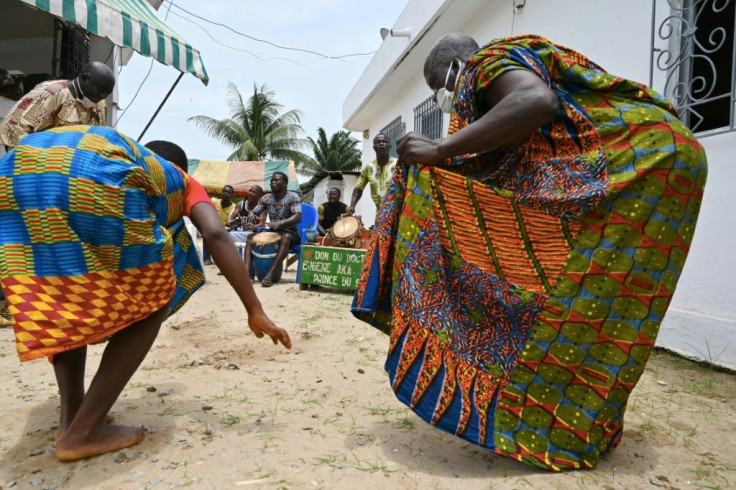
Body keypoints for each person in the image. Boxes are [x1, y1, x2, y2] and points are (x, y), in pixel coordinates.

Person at [352, 34, 707, 471]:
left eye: (437, 85)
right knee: (598, 306)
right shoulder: (510, 67)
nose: (442, 98)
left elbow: (535, 102)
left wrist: (441, 150)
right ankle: (572, 422)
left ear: (455, 67)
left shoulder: (488, 61)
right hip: (668, 160)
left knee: (584, 301)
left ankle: (551, 422)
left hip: (642, 161)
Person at [0, 125, 290, 462]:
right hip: (93, 173)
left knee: (65, 295)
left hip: (16, 170)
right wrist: (254, 308)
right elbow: (215, 233)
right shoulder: (177, 178)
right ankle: (83, 431)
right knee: (153, 298)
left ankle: (72, 418)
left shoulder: (130, 155)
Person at [0, 61, 114, 148]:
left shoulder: (100, 105)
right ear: (84, 78)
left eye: (107, 93)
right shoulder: (50, 93)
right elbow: (13, 129)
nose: (103, 95)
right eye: (100, 89)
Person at [245, 172, 302, 287]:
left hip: (291, 234)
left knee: (285, 237)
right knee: (250, 238)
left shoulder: (293, 196)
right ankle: (246, 275)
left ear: (285, 183)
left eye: (276, 180)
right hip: (274, 233)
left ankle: (270, 275)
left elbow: (298, 216)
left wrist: (281, 223)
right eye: (271, 180)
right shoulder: (267, 197)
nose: (273, 182)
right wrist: (251, 214)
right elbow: (255, 211)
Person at [348, 133, 398, 214]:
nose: (381, 144)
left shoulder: (398, 165)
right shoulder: (368, 168)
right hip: (379, 214)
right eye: (378, 142)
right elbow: (358, 188)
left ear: (390, 146)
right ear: (374, 148)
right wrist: (352, 205)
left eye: (384, 142)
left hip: (398, 214)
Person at [203, 185, 237, 265]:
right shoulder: (214, 201)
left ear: (232, 195)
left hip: (225, 230)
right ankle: (208, 258)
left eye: (228, 193)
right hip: (213, 226)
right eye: (224, 192)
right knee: (206, 233)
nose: (225, 194)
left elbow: (233, 223)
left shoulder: (234, 207)